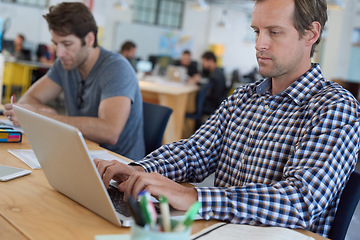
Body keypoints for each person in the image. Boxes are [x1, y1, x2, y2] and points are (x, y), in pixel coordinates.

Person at [94, 0, 360, 238]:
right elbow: (195, 152)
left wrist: (195, 197)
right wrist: (140, 169)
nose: (259, 44)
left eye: (274, 32)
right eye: (257, 31)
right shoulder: (244, 97)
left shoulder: (335, 107)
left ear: (311, 34)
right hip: (218, 231)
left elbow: (300, 202)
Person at [4, 2, 145, 160]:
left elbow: (109, 131)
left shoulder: (116, 68)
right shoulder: (65, 64)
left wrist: (42, 116)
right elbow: (29, 99)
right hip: (80, 153)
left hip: (120, 167)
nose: (59, 53)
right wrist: (42, 111)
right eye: (56, 44)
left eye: (67, 44)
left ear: (90, 39)